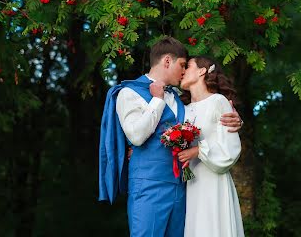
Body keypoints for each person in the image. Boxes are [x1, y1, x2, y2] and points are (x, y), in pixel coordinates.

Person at [99, 37, 243, 237]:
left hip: (184, 188)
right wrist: (157, 101)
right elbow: (137, 137)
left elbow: (203, 118)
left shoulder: (178, 98)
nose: (184, 72)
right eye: (182, 65)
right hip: (150, 186)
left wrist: (236, 121)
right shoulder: (129, 93)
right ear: (167, 61)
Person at [178, 57, 245, 237]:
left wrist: (198, 150)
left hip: (213, 180)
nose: (182, 71)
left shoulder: (218, 101)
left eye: (188, 66)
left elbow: (230, 149)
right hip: (190, 183)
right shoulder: (182, 108)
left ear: (202, 71)